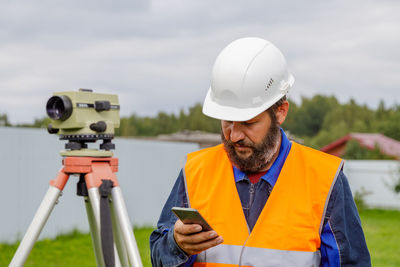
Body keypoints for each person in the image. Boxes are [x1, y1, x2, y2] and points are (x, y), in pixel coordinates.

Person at [150, 37, 370, 266]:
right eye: (227, 121)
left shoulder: (324, 179)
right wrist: (175, 245)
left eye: (248, 123)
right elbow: (158, 255)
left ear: (280, 112)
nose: (233, 136)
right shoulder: (195, 171)